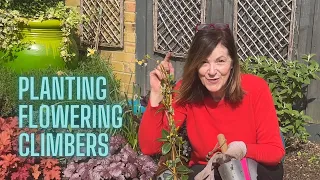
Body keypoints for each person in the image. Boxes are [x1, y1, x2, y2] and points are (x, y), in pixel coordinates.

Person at [138, 23, 285, 180]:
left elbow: (274, 151)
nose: (212, 71)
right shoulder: (187, 92)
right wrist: (156, 96)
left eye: (220, 61)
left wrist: (241, 149)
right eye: (204, 62)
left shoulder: (255, 88)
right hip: (206, 169)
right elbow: (150, 147)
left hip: (248, 169)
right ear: (195, 65)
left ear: (232, 63)